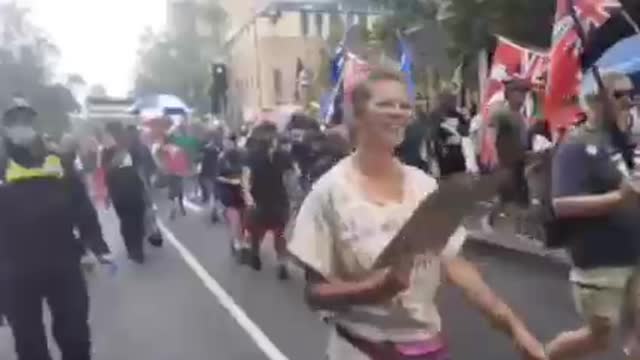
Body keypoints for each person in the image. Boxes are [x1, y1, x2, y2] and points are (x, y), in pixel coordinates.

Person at [288, 68, 546, 360]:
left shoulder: (423, 185)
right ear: (357, 114)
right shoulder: (329, 193)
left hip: (427, 348)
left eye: (404, 106)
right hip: (361, 349)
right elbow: (314, 292)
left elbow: (456, 266)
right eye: (385, 105)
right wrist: (371, 290)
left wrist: (513, 326)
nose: (398, 113)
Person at [0, 98, 113, 360]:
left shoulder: (59, 163)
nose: (21, 126)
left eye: (26, 120)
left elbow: (82, 207)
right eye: (15, 122)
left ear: (35, 124)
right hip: (15, 269)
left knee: (75, 334)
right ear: (5, 128)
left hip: (62, 261)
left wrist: (96, 245)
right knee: (28, 342)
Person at [546, 72, 640, 360]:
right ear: (596, 101)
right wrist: (619, 198)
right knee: (600, 339)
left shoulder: (624, 141)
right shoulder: (574, 146)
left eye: (632, 94)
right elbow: (562, 204)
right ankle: (546, 355)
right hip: (600, 262)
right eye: (619, 95)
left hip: (635, 254)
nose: (628, 101)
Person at [243, 122, 295, 279]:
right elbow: (290, 178)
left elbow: (246, 178)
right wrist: (292, 198)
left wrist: (248, 198)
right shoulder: (283, 155)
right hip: (279, 198)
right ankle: (282, 263)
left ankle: (255, 253)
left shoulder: (251, 155)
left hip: (260, 198)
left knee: (256, 231)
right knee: (280, 233)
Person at [102, 122, 148, 263]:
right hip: (133, 187)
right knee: (137, 219)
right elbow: (141, 168)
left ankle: (132, 249)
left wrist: (108, 194)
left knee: (126, 220)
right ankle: (138, 249)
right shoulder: (133, 146)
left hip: (118, 191)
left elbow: (106, 172)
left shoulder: (107, 150)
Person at [217, 134, 247, 259]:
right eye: (226, 142)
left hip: (242, 190)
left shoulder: (242, 155)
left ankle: (239, 240)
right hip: (227, 191)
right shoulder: (221, 158)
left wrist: (244, 180)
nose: (227, 144)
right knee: (234, 217)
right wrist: (229, 181)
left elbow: (247, 170)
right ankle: (236, 243)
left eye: (230, 142)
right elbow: (217, 176)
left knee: (244, 218)